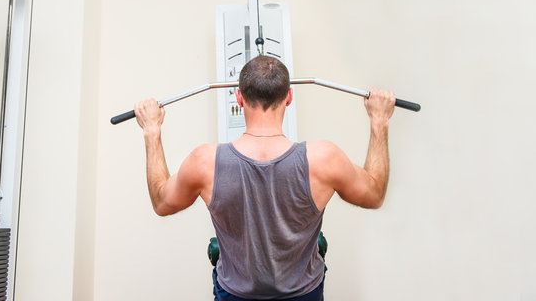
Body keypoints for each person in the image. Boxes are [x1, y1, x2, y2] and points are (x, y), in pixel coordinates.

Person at [134, 55, 396, 301]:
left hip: (236, 294)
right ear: (289, 96)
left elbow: (161, 201)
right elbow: (374, 194)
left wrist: (152, 131)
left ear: (239, 97)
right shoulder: (324, 158)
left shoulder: (205, 162)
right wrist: (379, 120)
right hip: (303, 294)